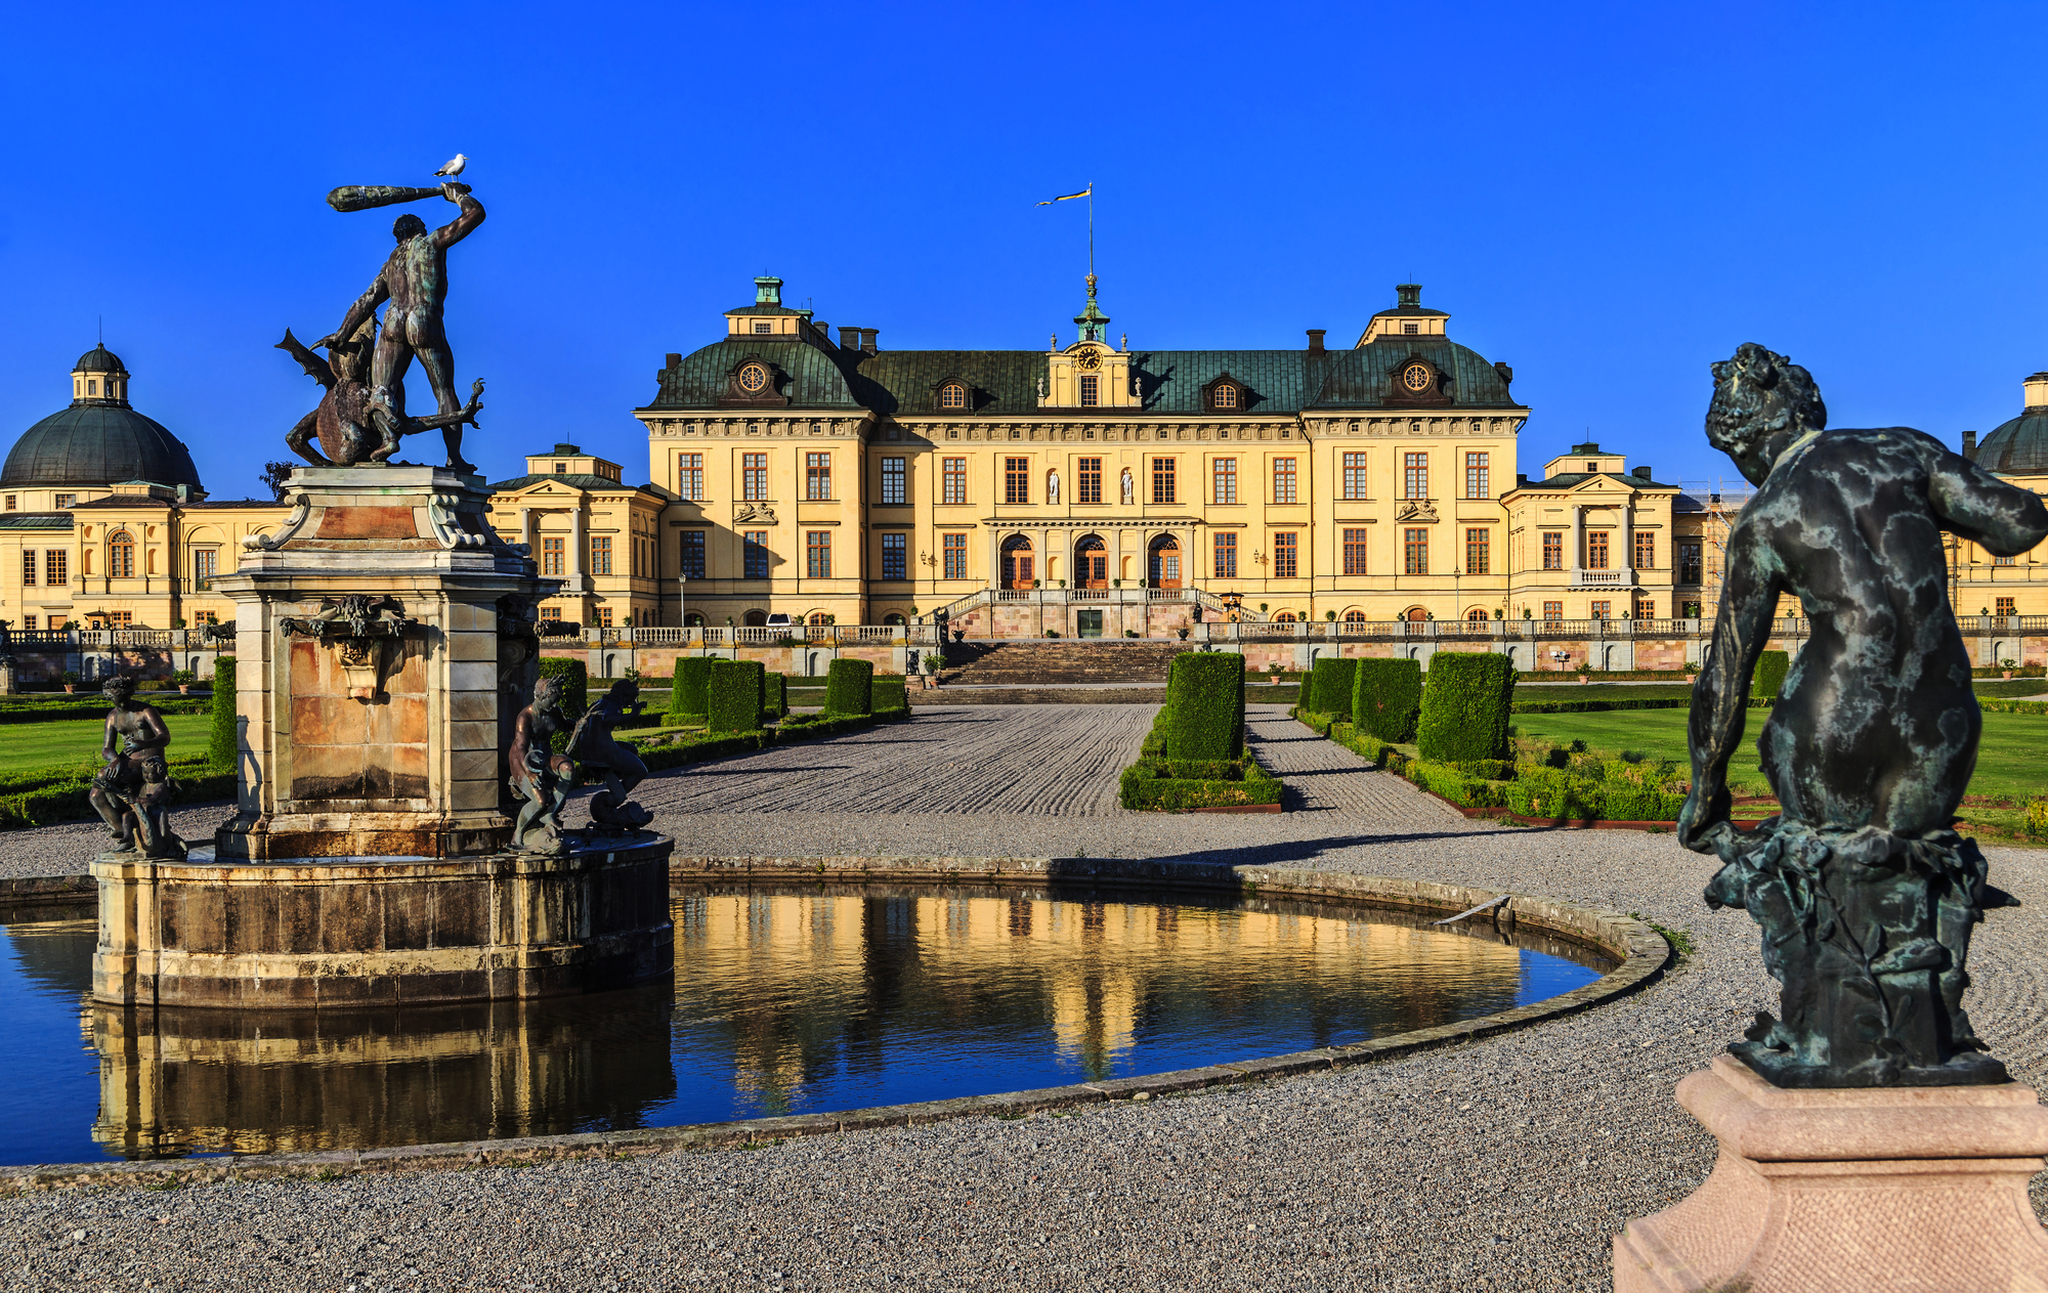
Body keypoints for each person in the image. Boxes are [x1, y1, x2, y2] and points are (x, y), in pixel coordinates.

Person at [1680, 342, 2048, 1087]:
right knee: (1908, 864)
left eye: (1739, 457)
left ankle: (1832, 1035)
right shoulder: (1903, 450)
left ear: (1748, 441)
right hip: (1941, 723)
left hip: (1830, 724)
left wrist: (1706, 788)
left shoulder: (1764, 518)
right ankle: (1919, 1037)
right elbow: (2021, 522)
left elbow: (1727, 673)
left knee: (1824, 865)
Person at [318, 183, 486, 472]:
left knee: (381, 390)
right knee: (443, 390)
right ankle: (454, 458)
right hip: (424, 318)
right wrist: (457, 195)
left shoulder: (391, 264)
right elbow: (475, 214)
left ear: (397, 237)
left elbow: (366, 301)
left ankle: (387, 439)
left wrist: (342, 333)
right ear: (419, 229)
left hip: (394, 319)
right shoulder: (430, 242)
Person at [89, 676, 182, 858]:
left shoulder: (145, 711)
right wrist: (114, 759)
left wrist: (144, 743)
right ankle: (121, 831)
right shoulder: (113, 717)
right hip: (127, 762)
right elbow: (106, 748)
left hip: (149, 761)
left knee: (103, 776)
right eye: (118, 700)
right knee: (95, 794)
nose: (122, 703)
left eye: (124, 699)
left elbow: (165, 737)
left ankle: (130, 831)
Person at [507, 675, 574, 853]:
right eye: (552, 700)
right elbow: (521, 747)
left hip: (544, 756)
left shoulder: (554, 712)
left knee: (568, 768)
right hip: (522, 760)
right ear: (540, 697)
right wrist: (529, 773)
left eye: (557, 701)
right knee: (540, 800)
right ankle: (518, 834)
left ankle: (550, 813)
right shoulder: (525, 717)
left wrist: (578, 725)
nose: (554, 705)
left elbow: (566, 726)